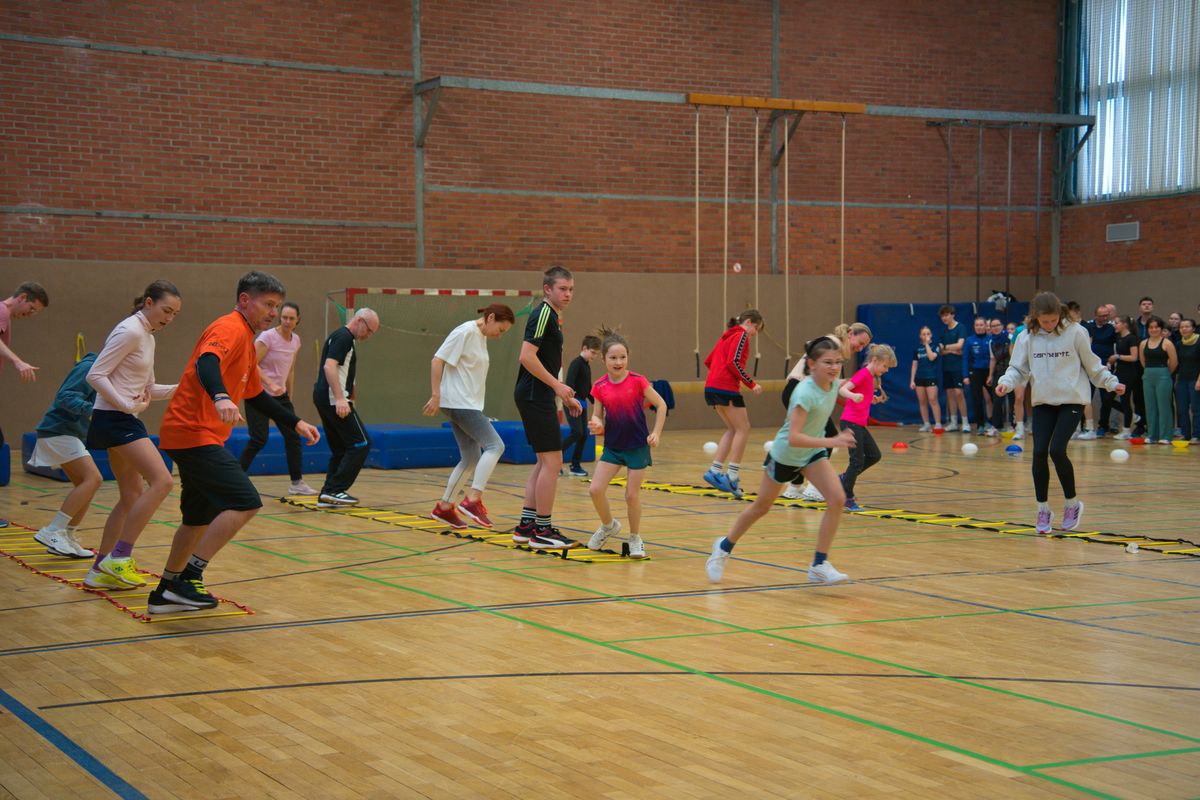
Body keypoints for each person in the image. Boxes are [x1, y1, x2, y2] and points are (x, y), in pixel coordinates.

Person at [148, 271, 320, 614]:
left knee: (197, 518)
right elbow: (206, 362)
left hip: (194, 435)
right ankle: (189, 578)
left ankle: (166, 590)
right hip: (193, 433)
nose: (273, 313)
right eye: (268, 305)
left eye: (277, 306)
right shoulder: (229, 327)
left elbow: (256, 396)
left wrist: (295, 421)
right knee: (245, 501)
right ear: (245, 300)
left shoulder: (247, 339)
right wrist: (221, 396)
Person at [706, 337, 857, 585]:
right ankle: (723, 547)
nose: (834, 367)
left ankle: (819, 565)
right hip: (785, 455)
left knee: (837, 499)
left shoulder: (831, 385)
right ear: (812, 364)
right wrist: (833, 440)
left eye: (838, 362)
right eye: (828, 362)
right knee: (761, 508)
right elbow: (794, 438)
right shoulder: (804, 392)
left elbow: (846, 386)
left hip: (811, 454)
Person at [995, 292, 1124, 534]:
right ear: (1036, 317)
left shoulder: (1075, 332)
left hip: (1071, 400)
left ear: (1060, 314)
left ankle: (1072, 504)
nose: (1049, 325)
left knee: (1056, 450)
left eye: (1053, 320)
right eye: (1044, 321)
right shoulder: (1026, 337)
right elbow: (1018, 369)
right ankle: (1043, 509)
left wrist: (1110, 382)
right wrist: (1006, 383)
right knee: (1039, 453)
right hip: (1044, 401)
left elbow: (1093, 365)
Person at [82, 281, 181, 590]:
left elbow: (148, 390)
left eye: (174, 314)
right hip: (115, 419)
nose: (169, 318)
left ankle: (99, 569)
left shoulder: (147, 336)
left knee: (131, 496)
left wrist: (186, 388)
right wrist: (125, 404)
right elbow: (95, 374)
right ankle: (120, 556)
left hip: (122, 418)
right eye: (166, 310)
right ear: (148, 303)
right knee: (163, 481)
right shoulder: (131, 331)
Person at [423, 303, 515, 529]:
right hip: (459, 403)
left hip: (466, 404)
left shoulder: (480, 336)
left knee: (471, 457)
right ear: (490, 318)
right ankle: (472, 500)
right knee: (495, 446)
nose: (500, 336)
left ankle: (444, 508)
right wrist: (436, 395)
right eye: (500, 330)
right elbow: (437, 360)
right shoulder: (464, 332)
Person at [512, 265, 583, 550]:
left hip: (537, 395)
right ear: (547, 289)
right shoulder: (542, 313)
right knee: (553, 462)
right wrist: (557, 386)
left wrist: (562, 393)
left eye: (571, 289)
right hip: (534, 395)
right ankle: (543, 530)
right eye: (562, 289)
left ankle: (526, 526)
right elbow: (526, 356)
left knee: (543, 462)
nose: (568, 294)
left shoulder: (552, 316)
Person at [584, 328, 667, 559]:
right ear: (603, 359)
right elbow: (597, 414)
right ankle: (608, 525)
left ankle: (635, 537)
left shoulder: (638, 381)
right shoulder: (599, 386)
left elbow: (661, 405)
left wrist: (656, 433)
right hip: (613, 446)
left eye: (623, 357)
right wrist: (596, 423)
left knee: (631, 496)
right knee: (595, 489)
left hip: (637, 446)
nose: (618, 362)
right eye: (613, 357)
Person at [783, 322, 872, 501]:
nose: (860, 348)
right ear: (850, 333)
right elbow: (817, 371)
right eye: (860, 342)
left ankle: (795, 486)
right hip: (799, 391)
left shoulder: (835, 349)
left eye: (864, 346)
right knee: (829, 434)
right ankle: (814, 487)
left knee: (807, 439)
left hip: (800, 392)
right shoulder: (831, 344)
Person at [238, 301, 316, 496]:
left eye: (291, 318)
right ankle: (235, 478)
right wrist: (270, 383)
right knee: (259, 439)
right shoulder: (267, 337)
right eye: (284, 317)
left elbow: (290, 369)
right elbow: (250, 363)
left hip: (280, 396)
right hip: (258, 393)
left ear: (298, 320)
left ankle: (296, 483)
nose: (287, 321)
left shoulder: (296, 340)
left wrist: (289, 393)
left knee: (293, 436)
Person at [28, 353, 101, 558]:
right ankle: (52, 530)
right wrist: (94, 410)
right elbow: (65, 396)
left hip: (71, 433)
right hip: (58, 431)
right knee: (94, 478)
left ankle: (66, 535)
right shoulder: (89, 367)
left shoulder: (109, 372)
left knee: (85, 486)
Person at [313, 307, 379, 507]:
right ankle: (335, 489)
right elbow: (329, 366)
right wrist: (341, 398)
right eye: (369, 330)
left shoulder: (341, 337)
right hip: (334, 399)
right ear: (359, 321)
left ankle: (328, 493)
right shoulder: (344, 337)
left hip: (325, 398)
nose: (368, 336)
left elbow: (342, 370)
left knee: (341, 449)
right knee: (361, 443)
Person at [0, 281, 49, 528]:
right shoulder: (1, 311)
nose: (30, 315)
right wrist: (18, 362)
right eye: (31, 309)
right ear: (21, 298)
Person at [701, 310, 765, 499]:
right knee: (743, 428)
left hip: (711, 387)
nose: (755, 333)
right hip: (725, 388)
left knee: (733, 429)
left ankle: (715, 470)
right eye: (756, 328)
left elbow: (709, 361)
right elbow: (733, 362)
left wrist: (718, 375)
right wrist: (751, 383)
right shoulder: (741, 335)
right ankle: (732, 475)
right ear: (748, 322)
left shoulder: (726, 336)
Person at [838, 344, 896, 511]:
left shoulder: (870, 377)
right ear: (875, 360)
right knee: (856, 461)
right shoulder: (863, 374)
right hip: (850, 422)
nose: (886, 370)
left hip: (858, 424)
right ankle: (847, 496)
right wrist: (853, 395)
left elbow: (863, 395)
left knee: (874, 455)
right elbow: (843, 390)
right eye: (885, 366)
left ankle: (844, 478)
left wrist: (872, 400)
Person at [560, 334, 600, 477]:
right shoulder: (576, 363)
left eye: (596, 353)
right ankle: (554, 460)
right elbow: (569, 383)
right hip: (572, 403)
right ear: (584, 348)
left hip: (582, 404)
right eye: (593, 352)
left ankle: (575, 466)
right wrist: (570, 402)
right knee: (577, 432)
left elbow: (588, 388)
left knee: (583, 435)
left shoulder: (586, 366)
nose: (595, 356)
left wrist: (597, 402)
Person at [1138, 316, 1177, 444]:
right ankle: (1152, 435)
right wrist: (1150, 372)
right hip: (1148, 376)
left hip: (1163, 376)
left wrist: (1165, 373)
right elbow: (1143, 361)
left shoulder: (1167, 343)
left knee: (1164, 406)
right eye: (1151, 327)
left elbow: (1174, 362)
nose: (1153, 329)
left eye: (1156, 327)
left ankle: (1165, 436)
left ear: (1161, 328)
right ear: (1148, 329)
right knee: (1150, 406)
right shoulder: (1143, 343)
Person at [1083, 304, 1118, 435]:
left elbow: (1117, 346)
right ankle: (1083, 426)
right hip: (1090, 366)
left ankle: (1103, 425)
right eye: (1101, 316)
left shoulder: (1111, 329)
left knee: (1107, 398)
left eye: (1106, 316)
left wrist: (1112, 361)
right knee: (1086, 397)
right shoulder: (1089, 327)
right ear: (1095, 316)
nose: (1104, 318)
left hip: (1106, 366)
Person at [1107, 315, 1141, 439]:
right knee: (1107, 398)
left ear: (1124, 324)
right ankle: (1133, 416)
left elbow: (1134, 357)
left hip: (1128, 373)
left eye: (1116, 323)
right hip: (1119, 372)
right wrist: (1110, 362)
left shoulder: (1131, 338)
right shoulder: (1118, 337)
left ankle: (1126, 431)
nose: (1114, 325)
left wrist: (1117, 357)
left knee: (1125, 400)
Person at [938, 305, 969, 432]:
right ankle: (953, 422)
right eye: (942, 316)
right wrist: (952, 349)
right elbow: (941, 350)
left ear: (952, 315)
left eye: (946, 315)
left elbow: (960, 345)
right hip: (946, 367)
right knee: (950, 394)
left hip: (958, 366)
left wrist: (946, 348)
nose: (944, 318)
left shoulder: (961, 328)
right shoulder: (944, 331)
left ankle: (965, 422)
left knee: (959, 393)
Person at [964, 316, 995, 435]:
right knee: (977, 398)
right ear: (974, 327)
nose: (979, 327)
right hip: (975, 372)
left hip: (989, 372)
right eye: (976, 325)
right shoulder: (969, 340)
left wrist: (992, 373)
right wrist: (965, 375)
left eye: (981, 325)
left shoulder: (991, 339)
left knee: (994, 397)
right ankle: (980, 425)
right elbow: (965, 359)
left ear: (985, 326)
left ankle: (994, 423)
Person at [910, 325, 942, 432]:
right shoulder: (917, 349)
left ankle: (938, 424)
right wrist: (912, 380)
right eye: (923, 334)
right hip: (920, 378)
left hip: (931, 377)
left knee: (933, 400)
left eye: (928, 334)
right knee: (922, 401)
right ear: (920, 336)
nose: (926, 336)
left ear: (931, 335)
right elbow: (914, 365)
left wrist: (927, 344)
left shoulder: (935, 346)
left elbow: (931, 357)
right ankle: (926, 423)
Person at [1175, 318, 1199, 443]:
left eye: (1187, 326)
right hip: (1182, 380)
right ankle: (1185, 434)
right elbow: (1177, 364)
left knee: (1196, 408)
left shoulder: (1199, 341)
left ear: (1193, 328)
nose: (1184, 329)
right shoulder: (1179, 344)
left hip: (1196, 379)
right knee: (1181, 408)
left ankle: (1197, 435)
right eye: (1181, 327)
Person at [986, 319, 1011, 432]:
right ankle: (996, 426)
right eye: (993, 326)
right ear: (990, 328)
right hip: (998, 372)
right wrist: (990, 375)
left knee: (1012, 399)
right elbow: (993, 359)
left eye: (997, 325)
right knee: (997, 399)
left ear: (1002, 326)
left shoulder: (1010, 338)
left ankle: (1013, 425)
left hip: (1010, 371)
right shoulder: (991, 342)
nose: (995, 328)